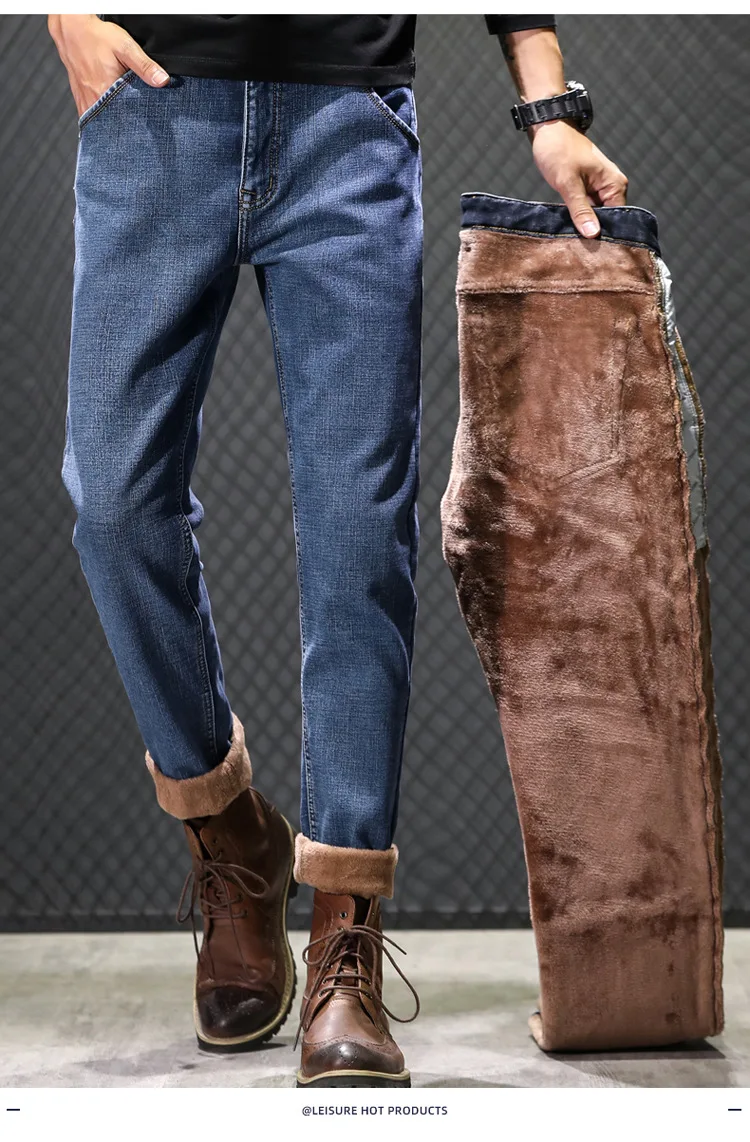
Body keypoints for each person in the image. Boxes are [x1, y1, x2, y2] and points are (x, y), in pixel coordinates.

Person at [48, 13, 628, 1089]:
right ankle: (229, 834)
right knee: (115, 508)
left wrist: (548, 106)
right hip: (155, 109)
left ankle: (344, 939)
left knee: (360, 532)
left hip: (346, 119)